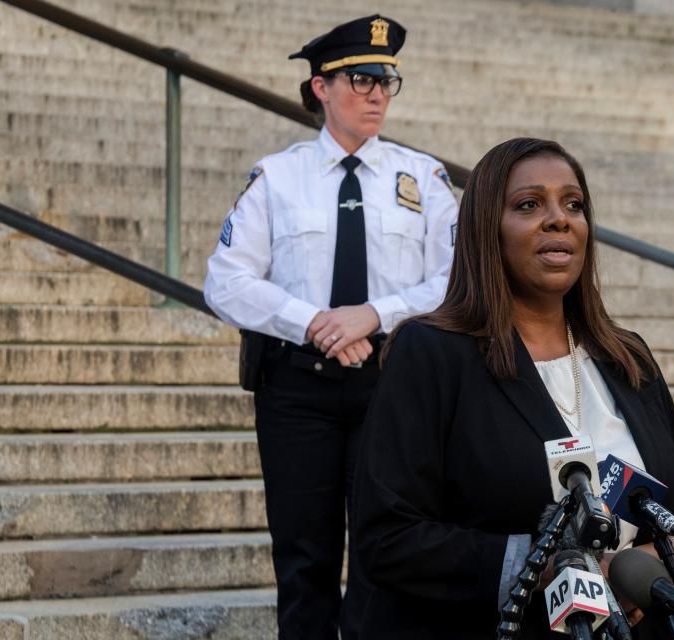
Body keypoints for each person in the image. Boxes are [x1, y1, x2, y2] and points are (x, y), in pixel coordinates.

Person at [352, 138, 674, 639]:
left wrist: (661, 560)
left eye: (574, 204)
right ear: (485, 231)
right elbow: (389, 536)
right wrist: (553, 567)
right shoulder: (430, 354)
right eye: (528, 204)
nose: (560, 219)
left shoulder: (630, 358)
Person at [203, 14, 459, 640]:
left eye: (387, 82)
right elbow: (225, 281)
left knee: (387, 560)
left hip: (392, 392)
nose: (376, 93)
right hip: (297, 395)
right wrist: (315, 323)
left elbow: (458, 282)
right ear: (320, 86)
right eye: (361, 78)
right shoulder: (277, 178)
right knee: (304, 562)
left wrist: (372, 315)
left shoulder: (423, 180)